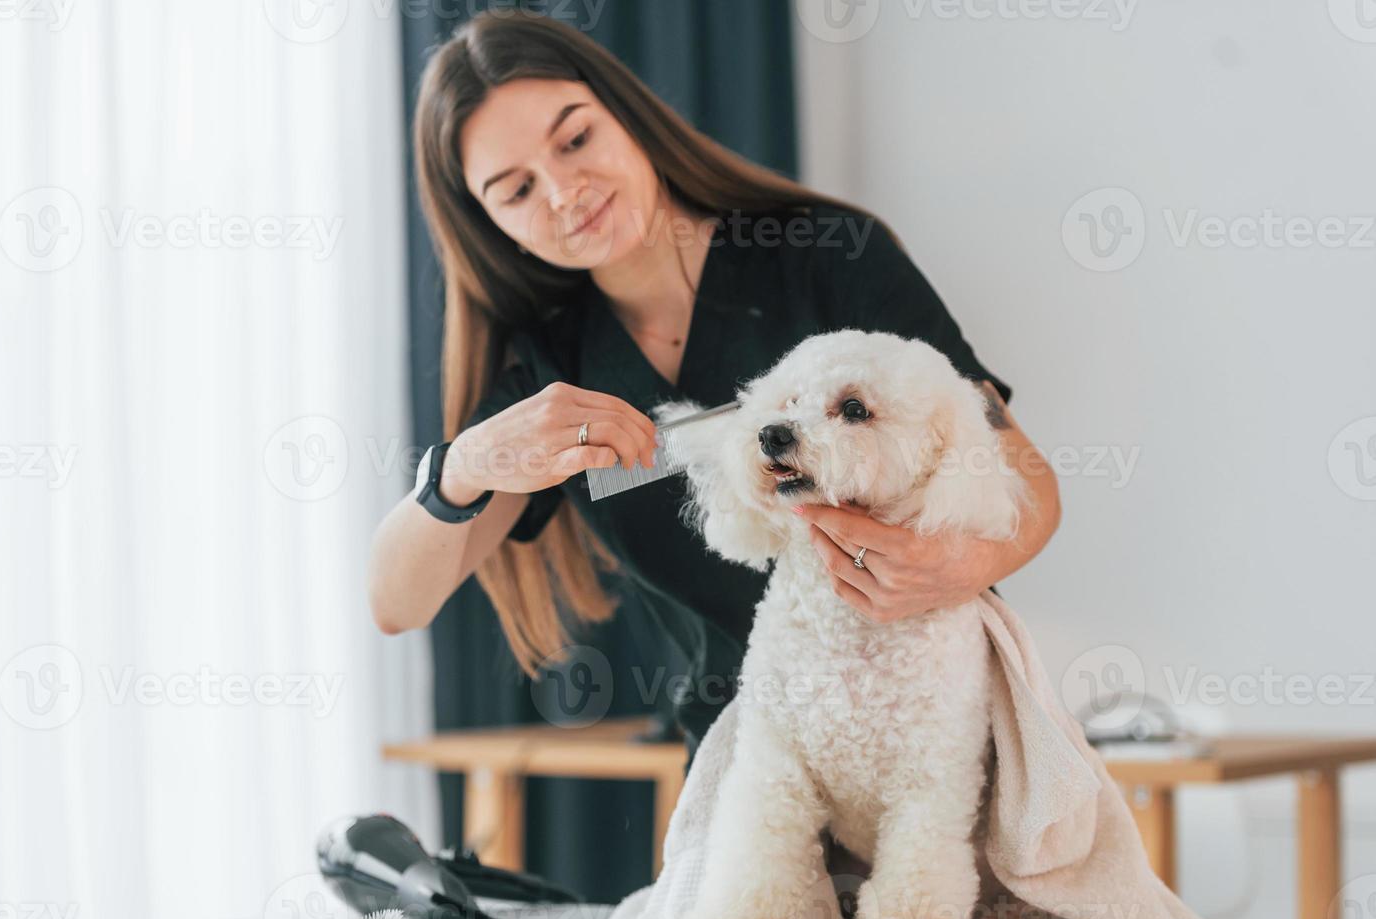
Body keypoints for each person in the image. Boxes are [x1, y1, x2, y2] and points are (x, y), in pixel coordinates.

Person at [367, 10, 1061, 772]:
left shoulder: (825, 256)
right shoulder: (550, 371)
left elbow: (1023, 476)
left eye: (576, 139)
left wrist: (961, 567)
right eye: (517, 189)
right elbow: (397, 603)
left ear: (624, 115)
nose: (565, 193)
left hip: (936, 730)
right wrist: (463, 465)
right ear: (489, 224)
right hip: (746, 767)